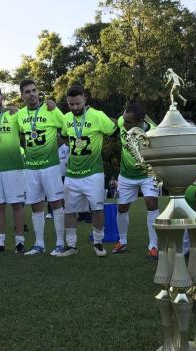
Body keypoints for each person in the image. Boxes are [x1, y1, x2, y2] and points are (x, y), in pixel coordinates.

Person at [58, 85, 116, 257]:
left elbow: (114, 131)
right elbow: (63, 135)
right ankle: (71, 246)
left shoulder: (97, 115)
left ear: (85, 98)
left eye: (77, 103)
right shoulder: (66, 118)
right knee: (69, 211)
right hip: (72, 174)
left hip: (93, 173)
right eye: (71, 104)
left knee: (97, 209)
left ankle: (98, 242)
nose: (74, 108)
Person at [17, 79, 66, 256]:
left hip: (50, 166)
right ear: (22, 96)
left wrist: (56, 108)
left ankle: (60, 243)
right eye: (27, 92)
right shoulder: (20, 115)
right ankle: (39, 244)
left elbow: (65, 126)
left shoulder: (50, 109)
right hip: (31, 167)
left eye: (34, 90)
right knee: (36, 204)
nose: (32, 94)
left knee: (56, 203)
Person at [112, 102, 159, 259]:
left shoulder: (153, 132)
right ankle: (122, 241)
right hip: (126, 175)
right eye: (124, 118)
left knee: (151, 203)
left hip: (147, 175)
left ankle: (153, 246)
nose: (123, 123)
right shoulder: (121, 122)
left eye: (128, 121)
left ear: (140, 121)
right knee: (122, 208)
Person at [0, 84, 26, 253]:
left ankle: (19, 242)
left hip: (13, 167)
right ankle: (0, 243)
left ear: (2, 97)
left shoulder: (14, 114)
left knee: (17, 205)